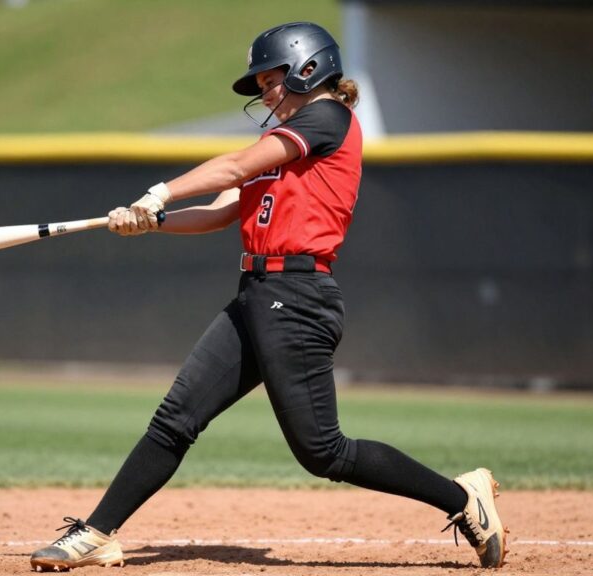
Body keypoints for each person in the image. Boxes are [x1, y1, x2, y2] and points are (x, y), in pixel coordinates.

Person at [29, 22, 508, 572]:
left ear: (308, 68)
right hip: (256, 294)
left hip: (299, 297)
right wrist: (153, 222)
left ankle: (463, 498)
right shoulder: (283, 143)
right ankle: (95, 533)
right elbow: (222, 208)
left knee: (323, 451)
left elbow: (232, 167)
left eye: (271, 79)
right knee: (175, 418)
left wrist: (158, 190)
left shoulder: (328, 119)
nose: (265, 93)